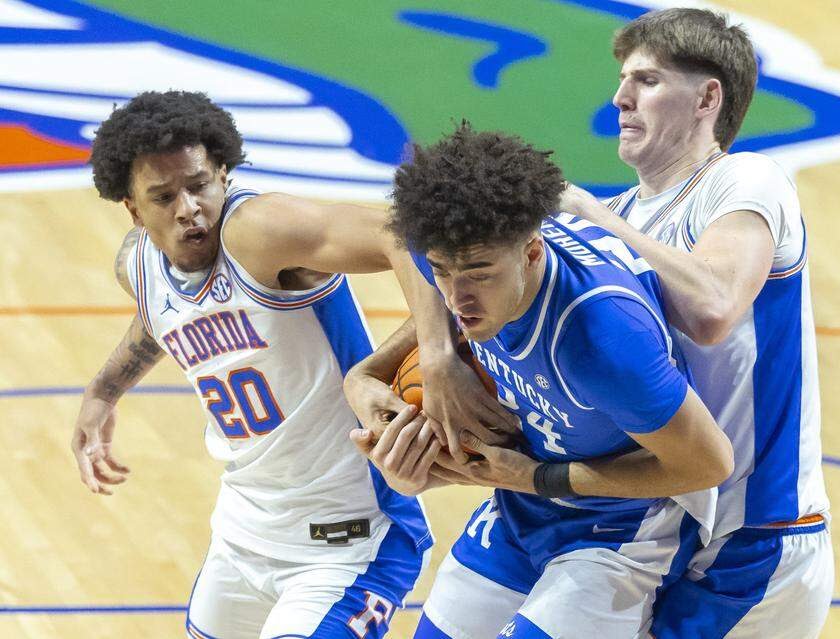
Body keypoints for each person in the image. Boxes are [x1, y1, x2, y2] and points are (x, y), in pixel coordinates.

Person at [68, 90, 514, 639]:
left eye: (199, 185)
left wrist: (438, 353)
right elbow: (160, 315)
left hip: (349, 543)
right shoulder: (138, 265)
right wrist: (103, 391)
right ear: (134, 210)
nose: (188, 208)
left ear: (223, 175)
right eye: (163, 197)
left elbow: (403, 236)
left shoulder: (259, 232)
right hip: (241, 536)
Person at [346, 123, 734, 639]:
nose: (458, 298)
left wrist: (538, 478)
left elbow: (708, 464)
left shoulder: (602, 340)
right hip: (522, 507)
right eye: (443, 271)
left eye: (480, 274)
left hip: (626, 523)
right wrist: (399, 371)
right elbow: (426, 270)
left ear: (532, 251)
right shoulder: (449, 239)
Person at [558, 8, 833, 638]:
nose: (620, 98)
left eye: (647, 80)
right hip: (657, 527)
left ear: (708, 98)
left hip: (756, 536)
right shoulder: (623, 213)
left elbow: (712, 309)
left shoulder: (745, 179)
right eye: (624, 80)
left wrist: (594, 222)